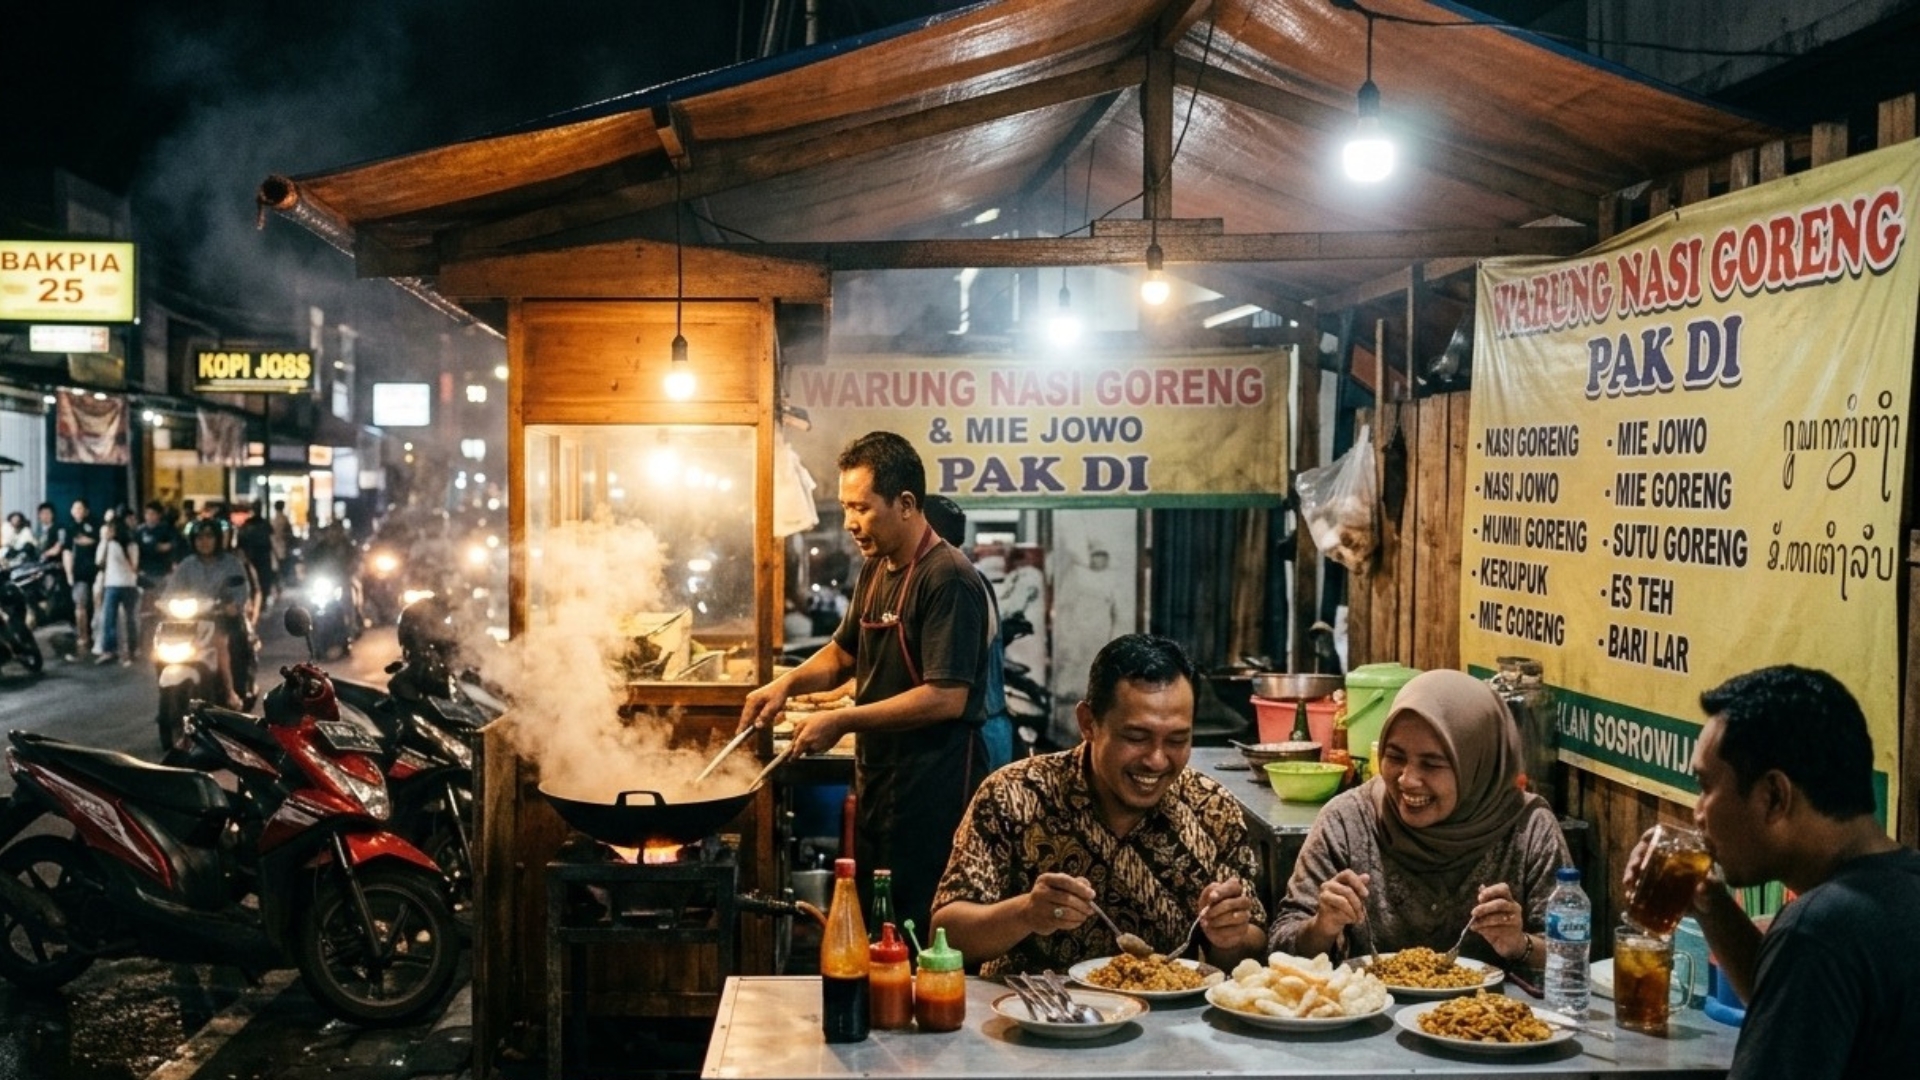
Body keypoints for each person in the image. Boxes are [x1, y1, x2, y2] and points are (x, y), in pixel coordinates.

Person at [739, 431, 990, 937]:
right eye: (846, 507)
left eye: (862, 508)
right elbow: (841, 655)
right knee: (881, 926)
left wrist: (842, 718)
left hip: (933, 791)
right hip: (881, 780)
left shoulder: (949, 579)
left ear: (905, 504)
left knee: (923, 934)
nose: (850, 523)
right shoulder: (877, 569)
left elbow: (946, 697)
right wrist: (784, 685)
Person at [1625, 665, 1920, 1080]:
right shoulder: (1902, 888)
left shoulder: (1818, 930)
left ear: (1774, 796)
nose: (1697, 812)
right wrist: (1709, 904)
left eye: (1706, 786)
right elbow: (1795, 1007)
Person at [931, 633, 1267, 975]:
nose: (1156, 760)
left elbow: (1250, 952)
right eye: (1136, 738)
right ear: (1088, 723)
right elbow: (945, 936)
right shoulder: (1014, 795)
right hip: (1035, 1012)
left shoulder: (1210, 807)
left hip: (1165, 1019)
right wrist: (1025, 914)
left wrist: (1231, 936)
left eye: (1178, 740)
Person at [1267, 668, 1569, 967]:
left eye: (1432, 764)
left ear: (1477, 763)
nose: (1408, 780)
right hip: (1369, 1011)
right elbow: (1280, 946)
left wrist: (1519, 945)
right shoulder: (1347, 821)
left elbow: (1570, 958)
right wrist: (1322, 926)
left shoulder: (1529, 828)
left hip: (1495, 1014)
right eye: (1395, 757)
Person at [922, 494, 1014, 772]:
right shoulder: (964, 575)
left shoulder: (956, 581)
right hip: (990, 725)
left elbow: (950, 683)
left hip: (980, 732)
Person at [165, 519, 259, 709]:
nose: (204, 542)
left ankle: (231, 691)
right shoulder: (187, 565)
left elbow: (242, 591)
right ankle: (168, 697)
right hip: (190, 622)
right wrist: (162, 603)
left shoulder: (232, 563)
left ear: (218, 539)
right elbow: (170, 592)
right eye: (199, 537)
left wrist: (233, 605)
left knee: (221, 641)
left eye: (209, 536)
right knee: (162, 648)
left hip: (222, 620)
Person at [96, 515, 140, 665]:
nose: (108, 532)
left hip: (128, 584)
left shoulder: (130, 545)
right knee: (109, 618)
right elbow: (98, 561)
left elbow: (133, 566)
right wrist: (104, 542)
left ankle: (132, 649)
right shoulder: (107, 543)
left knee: (130, 618)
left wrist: (121, 549)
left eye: (111, 529)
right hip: (111, 584)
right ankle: (109, 649)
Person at [60, 499, 100, 662]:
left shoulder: (95, 525)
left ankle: (96, 635)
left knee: (97, 605)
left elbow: (94, 541)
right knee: (80, 605)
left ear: (86, 511)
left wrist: (84, 540)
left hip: (96, 572)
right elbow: (67, 552)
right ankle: (82, 635)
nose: (77, 510)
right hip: (79, 574)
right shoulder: (69, 528)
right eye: (74, 507)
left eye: (80, 508)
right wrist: (69, 574)